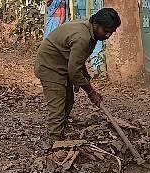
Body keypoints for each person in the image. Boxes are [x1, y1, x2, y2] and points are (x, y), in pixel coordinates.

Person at [34, 8, 121, 147]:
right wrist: (91, 92)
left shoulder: (90, 30)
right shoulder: (82, 37)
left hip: (62, 63)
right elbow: (74, 71)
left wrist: (85, 79)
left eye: (111, 31)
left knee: (68, 100)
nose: (108, 35)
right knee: (58, 104)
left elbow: (78, 61)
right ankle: (55, 143)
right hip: (50, 67)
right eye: (106, 31)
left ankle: (61, 128)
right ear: (96, 24)